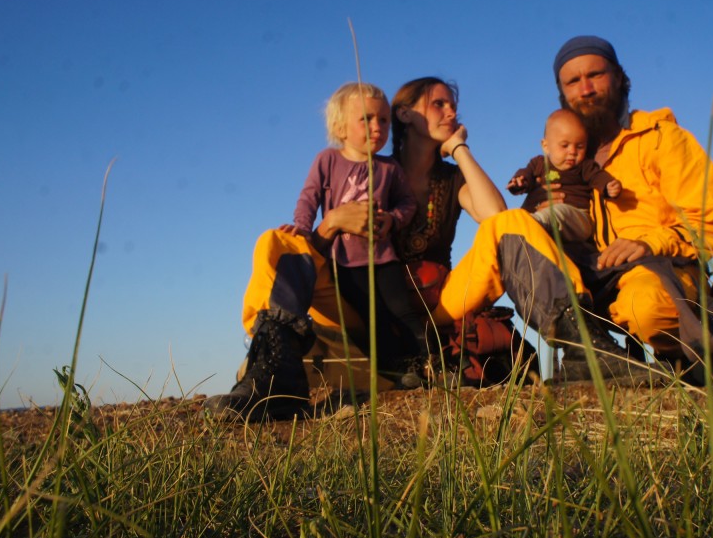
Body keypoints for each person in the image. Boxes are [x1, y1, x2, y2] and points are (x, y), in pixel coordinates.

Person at [202, 77, 508, 419]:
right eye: (439, 104)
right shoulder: (342, 161)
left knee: (511, 225)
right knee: (273, 241)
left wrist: (458, 149)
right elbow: (309, 199)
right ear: (406, 114)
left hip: (434, 305)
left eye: (453, 104)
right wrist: (328, 223)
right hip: (355, 292)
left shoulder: (444, 179)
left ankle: (426, 361)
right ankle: (273, 370)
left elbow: (496, 217)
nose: (452, 111)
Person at [550, 35, 713, 360]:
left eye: (595, 75)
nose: (586, 89)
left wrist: (650, 243)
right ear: (562, 94)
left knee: (643, 307)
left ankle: (701, 343)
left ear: (620, 77)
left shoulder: (662, 139)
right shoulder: (567, 159)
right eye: (573, 81)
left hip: (661, 269)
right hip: (593, 279)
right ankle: (592, 358)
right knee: (512, 234)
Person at [288, 82, 426, 378]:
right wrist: (301, 227)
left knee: (403, 311)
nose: (377, 126)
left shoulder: (389, 168)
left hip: (384, 258)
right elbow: (308, 197)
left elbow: (407, 203)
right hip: (345, 262)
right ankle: (394, 372)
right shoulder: (327, 160)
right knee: (371, 315)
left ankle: (430, 362)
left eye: (384, 120)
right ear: (340, 128)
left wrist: (393, 219)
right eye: (366, 118)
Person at [507, 108, 622, 242]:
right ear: (546, 146)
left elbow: (597, 176)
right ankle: (524, 227)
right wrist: (518, 182)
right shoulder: (538, 163)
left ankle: (531, 224)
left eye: (579, 146)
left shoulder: (585, 165)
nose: (572, 151)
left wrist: (608, 186)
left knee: (559, 212)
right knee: (516, 215)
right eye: (565, 145)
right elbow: (525, 175)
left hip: (579, 218)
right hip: (547, 218)